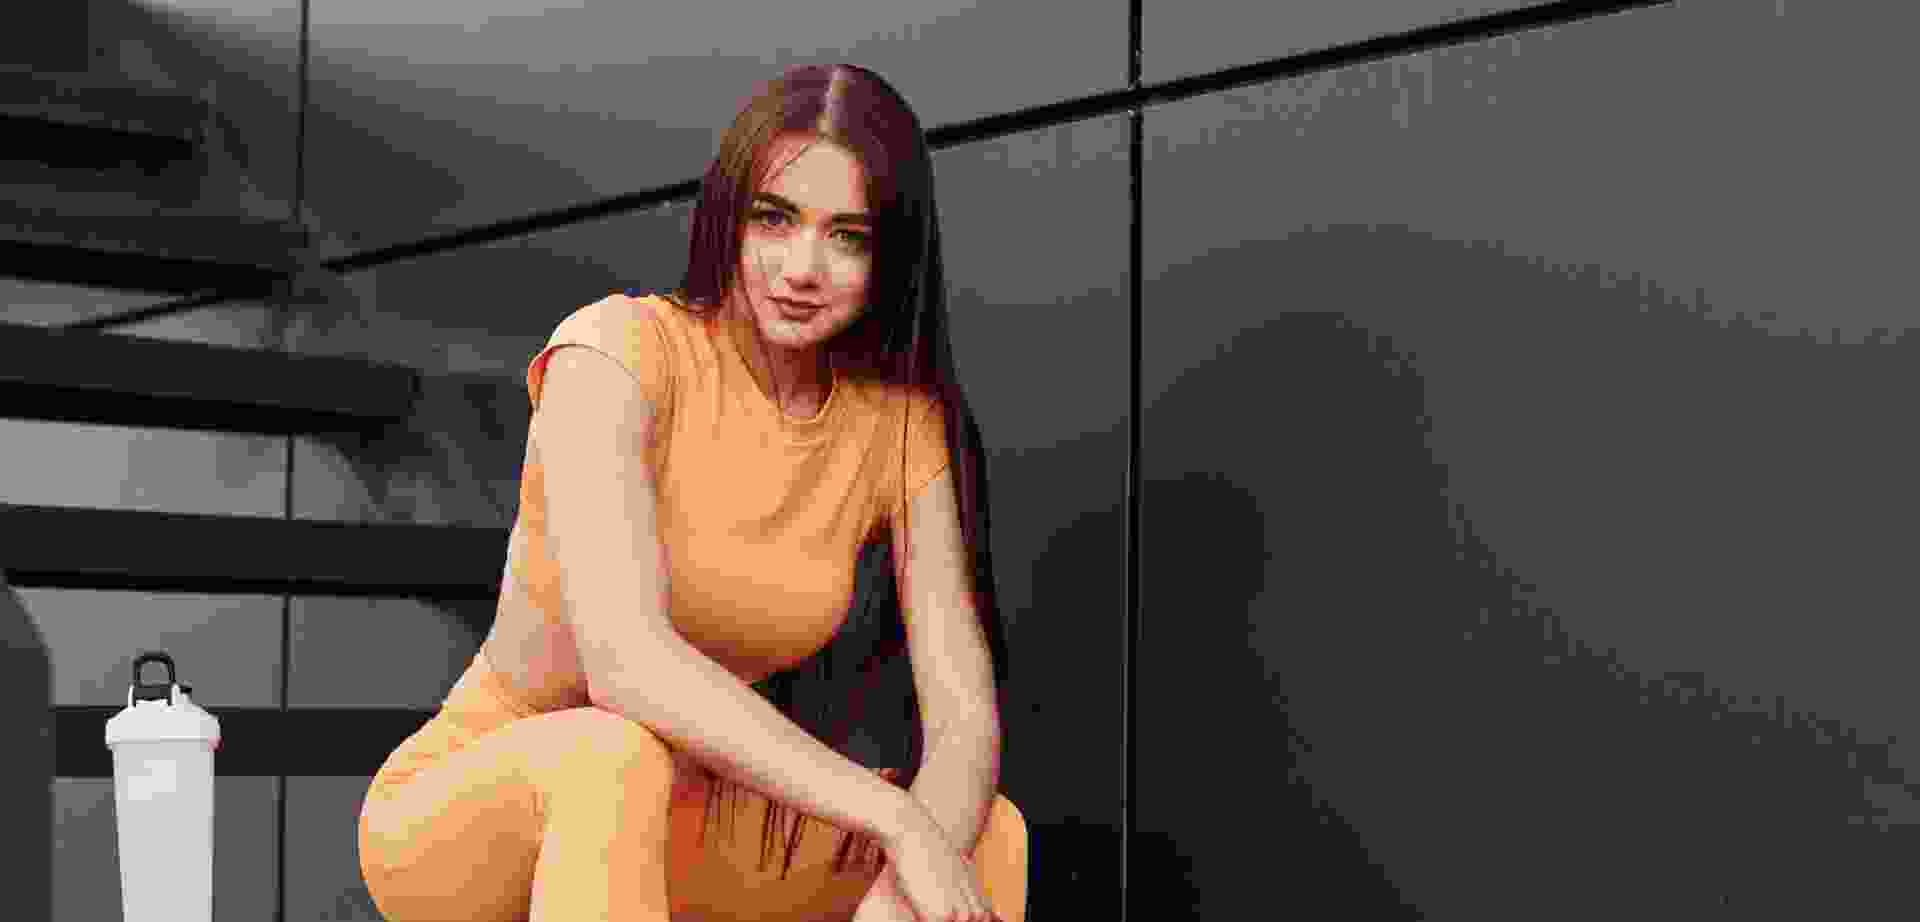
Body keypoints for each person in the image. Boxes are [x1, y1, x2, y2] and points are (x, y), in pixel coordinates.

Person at [358, 63, 1025, 922]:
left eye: (848, 237)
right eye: (774, 218)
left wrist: (906, 877)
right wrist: (893, 818)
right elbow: (625, 666)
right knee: (611, 756)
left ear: (890, 255)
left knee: (983, 834)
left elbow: (965, 720)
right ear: (727, 216)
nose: (802, 268)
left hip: (684, 815)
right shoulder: (616, 352)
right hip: (472, 811)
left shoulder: (899, 426)